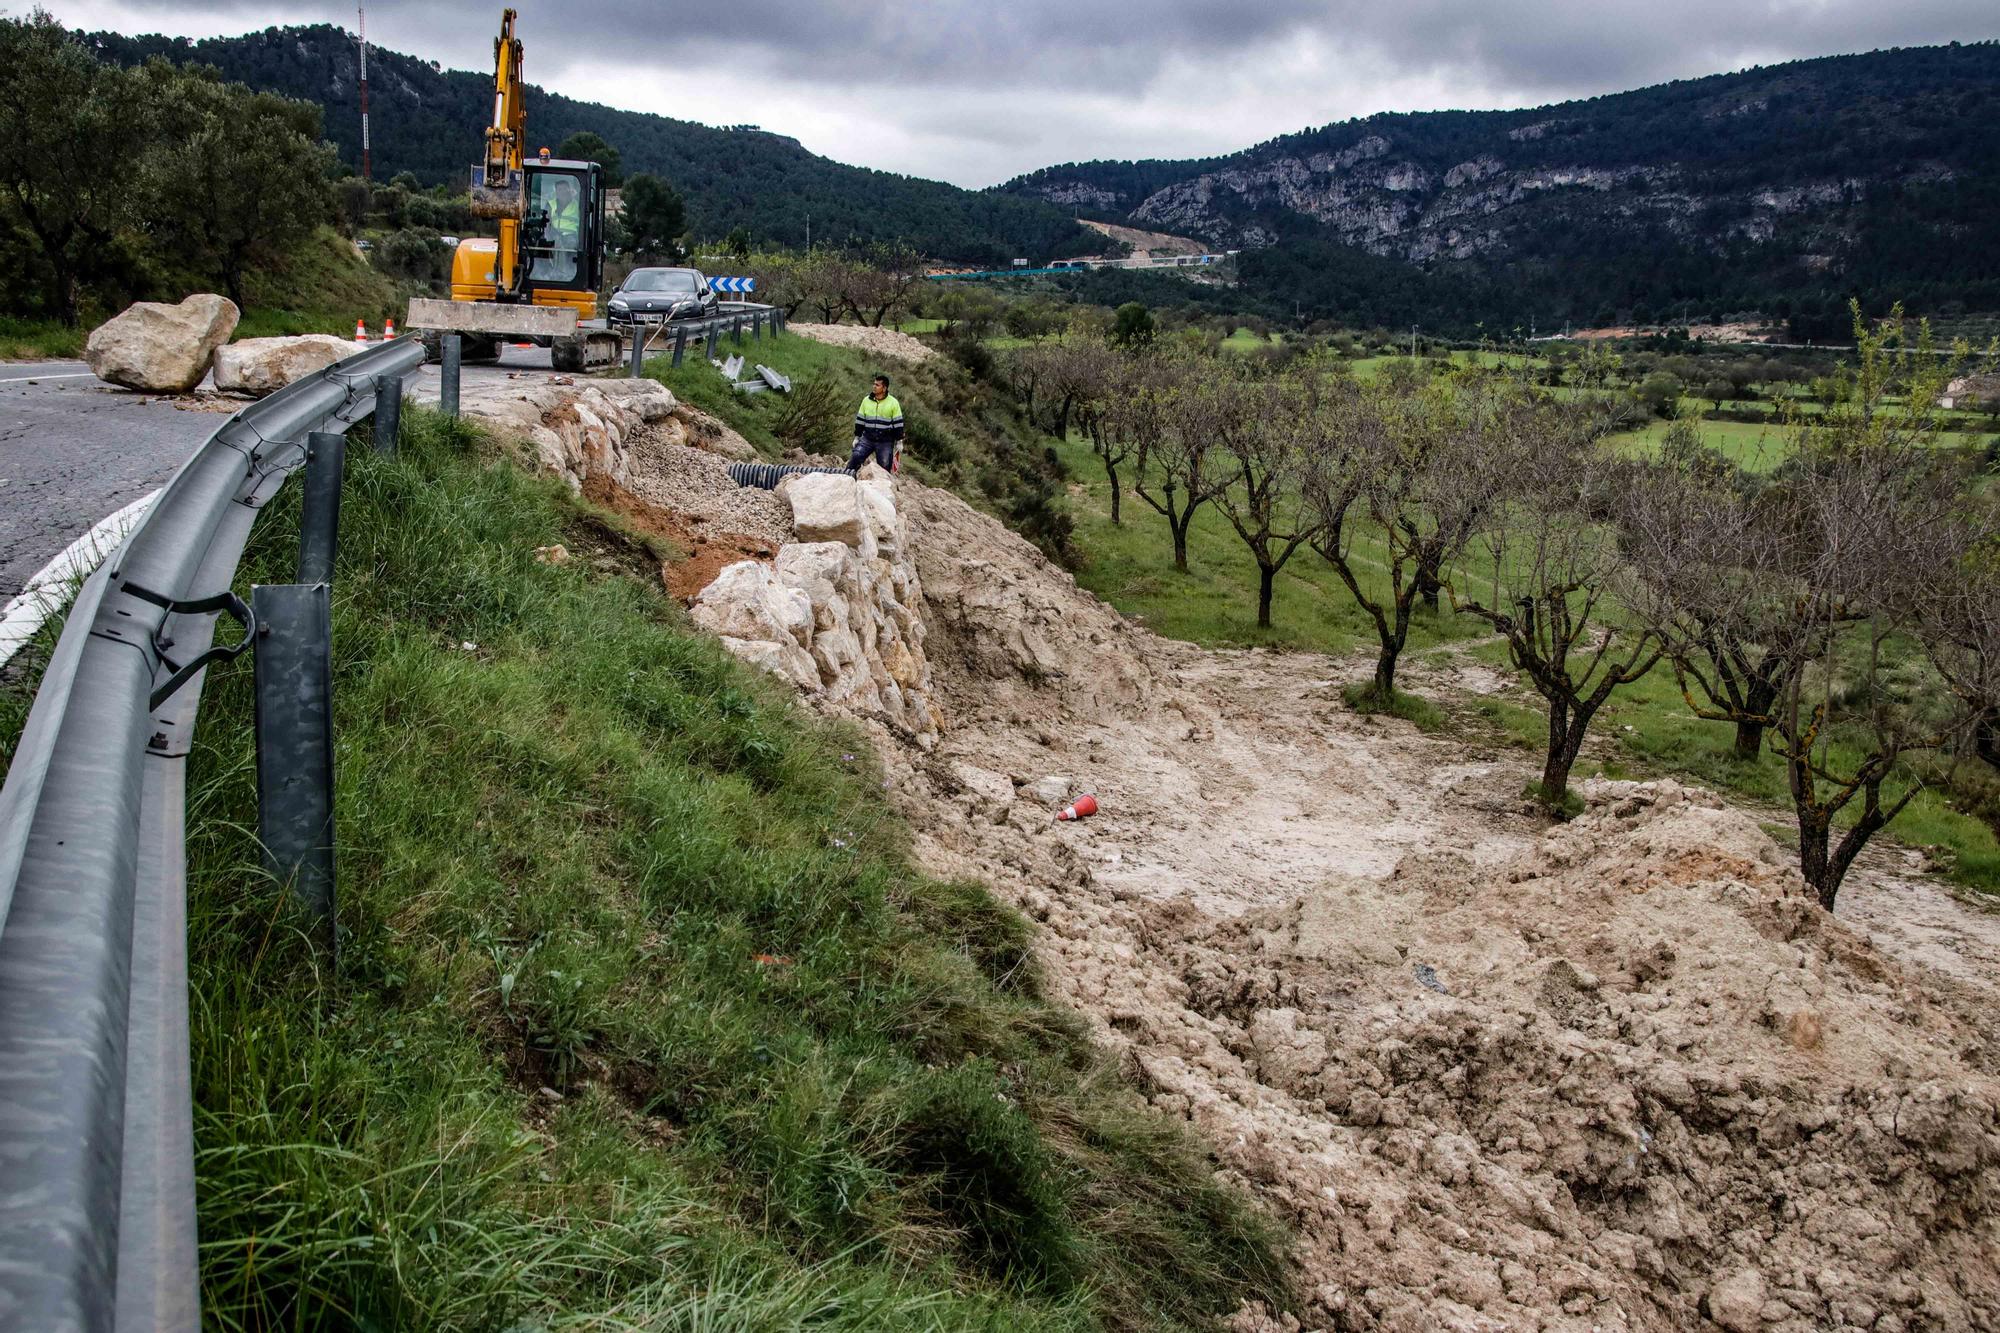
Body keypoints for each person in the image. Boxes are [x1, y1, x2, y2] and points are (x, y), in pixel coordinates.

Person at [849, 374, 904, 472]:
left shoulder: (893, 402)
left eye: (877, 385)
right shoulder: (866, 400)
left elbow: (898, 424)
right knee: (855, 457)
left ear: (884, 388)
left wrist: (899, 441)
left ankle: (883, 486)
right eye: (874, 384)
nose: (874, 386)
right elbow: (860, 420)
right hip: (867, 438)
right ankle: (848, 478)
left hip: (885, 441)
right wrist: (857, 437)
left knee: (884, 465)